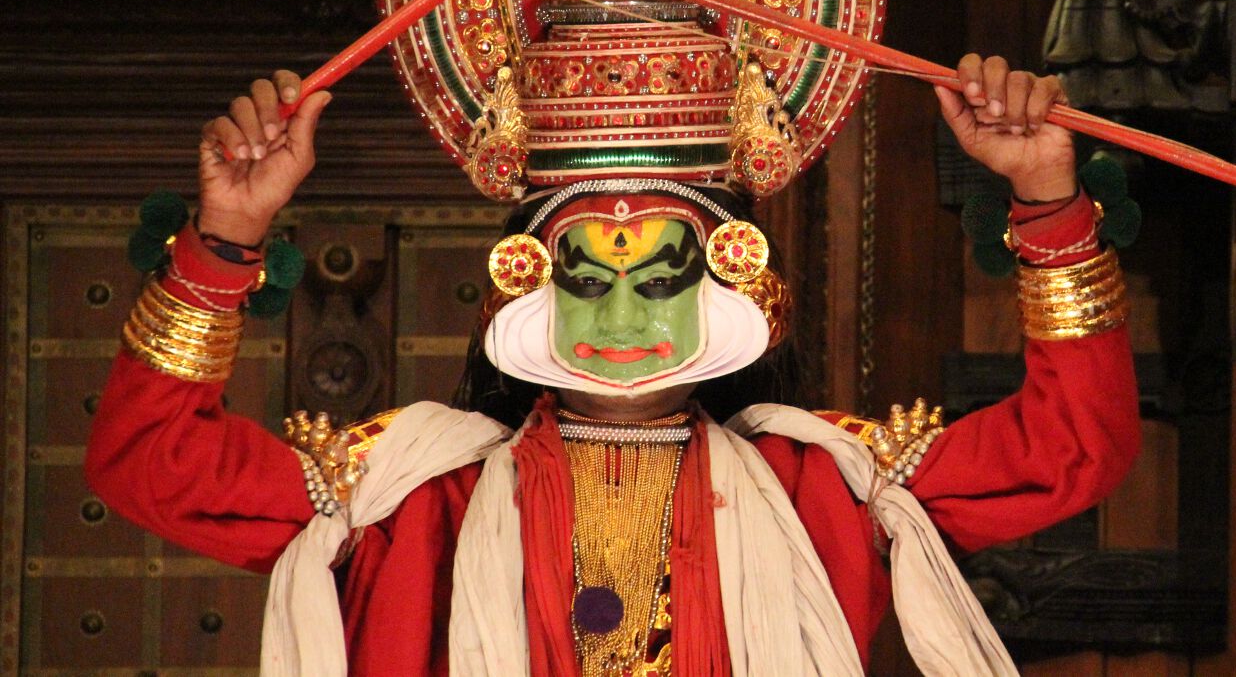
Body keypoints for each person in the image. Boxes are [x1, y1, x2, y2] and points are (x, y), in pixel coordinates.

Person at [85, 54, 1139, 677]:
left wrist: (1048, 204)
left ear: (736, 289)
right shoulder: (409, 496)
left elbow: (1069, 451)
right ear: (524, 288)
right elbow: (151, 466)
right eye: (586, 280)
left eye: (661, 279)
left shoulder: (827, 483)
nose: (623, 316)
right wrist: (225, 236)